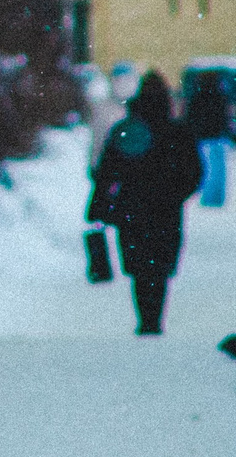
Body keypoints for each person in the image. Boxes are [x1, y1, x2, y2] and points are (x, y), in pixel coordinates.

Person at [87, 72, 205, 335]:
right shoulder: (178, 132)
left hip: (131, 209)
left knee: (139, 266)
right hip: (166, 210)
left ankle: (145, 318)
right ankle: (154, 318)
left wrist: (100, 205)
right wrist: (176, 194)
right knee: (159, 267)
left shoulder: (128, 130)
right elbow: (195, 173)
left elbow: (106, 171)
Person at [181, 72, 232, 208]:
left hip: (202, 138)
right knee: (218, 171)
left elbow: (190, 117)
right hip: (217, 138)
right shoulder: (220, 96)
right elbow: (224, 118)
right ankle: (216, 198)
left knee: (206, 170)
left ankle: (208, 197)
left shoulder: (196, 96)